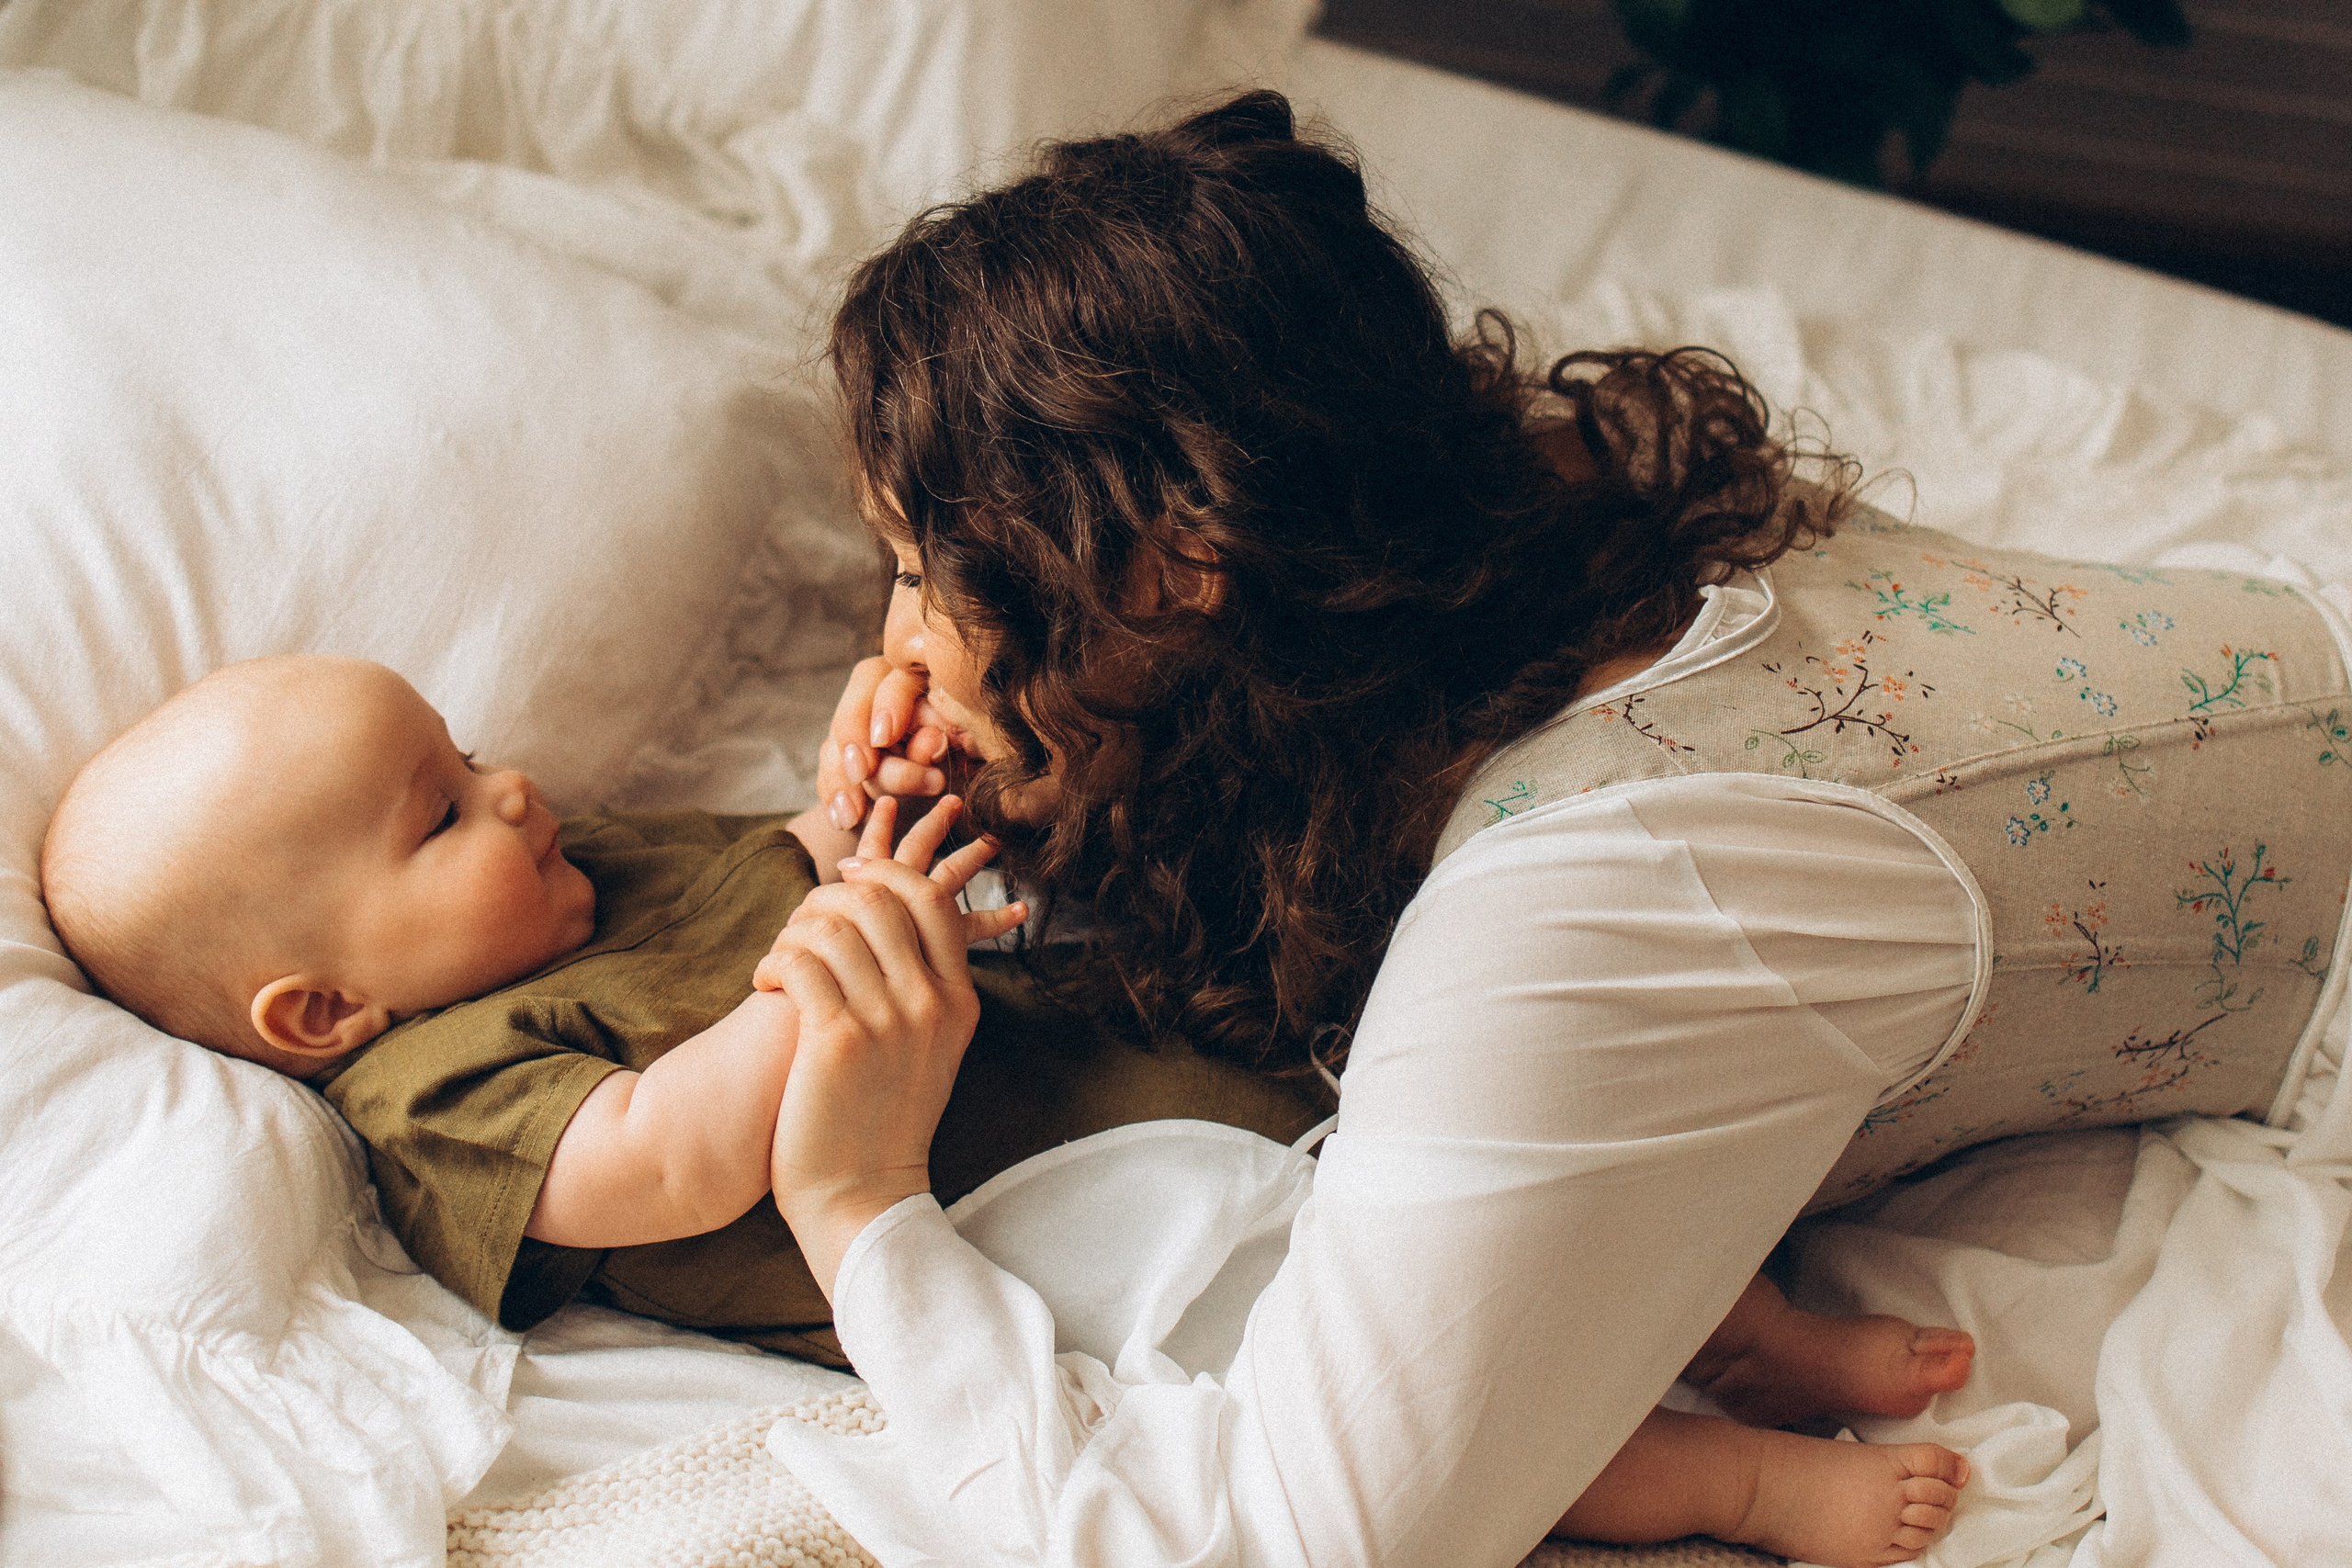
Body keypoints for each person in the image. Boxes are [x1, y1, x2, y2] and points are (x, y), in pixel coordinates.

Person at [755, 90, 2352, 1567]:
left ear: (1173, 568)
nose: (893, 649)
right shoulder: (1504, 519)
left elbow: (1279, 1543)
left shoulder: (1609, 886)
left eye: (920, 575)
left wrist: (861, 1210)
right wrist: (1018, 760)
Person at [36, 653, 1331, 1364]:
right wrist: (837, 955)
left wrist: (873, 781)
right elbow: (669, 1157)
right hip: (1040, 1223)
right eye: (439, 814)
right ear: (323, 1013)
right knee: (1349, 1339)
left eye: (470, 757)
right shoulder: (433, 1094)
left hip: (1119, 1047)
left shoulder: (575, 874)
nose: (514, 790)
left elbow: (792, 853)